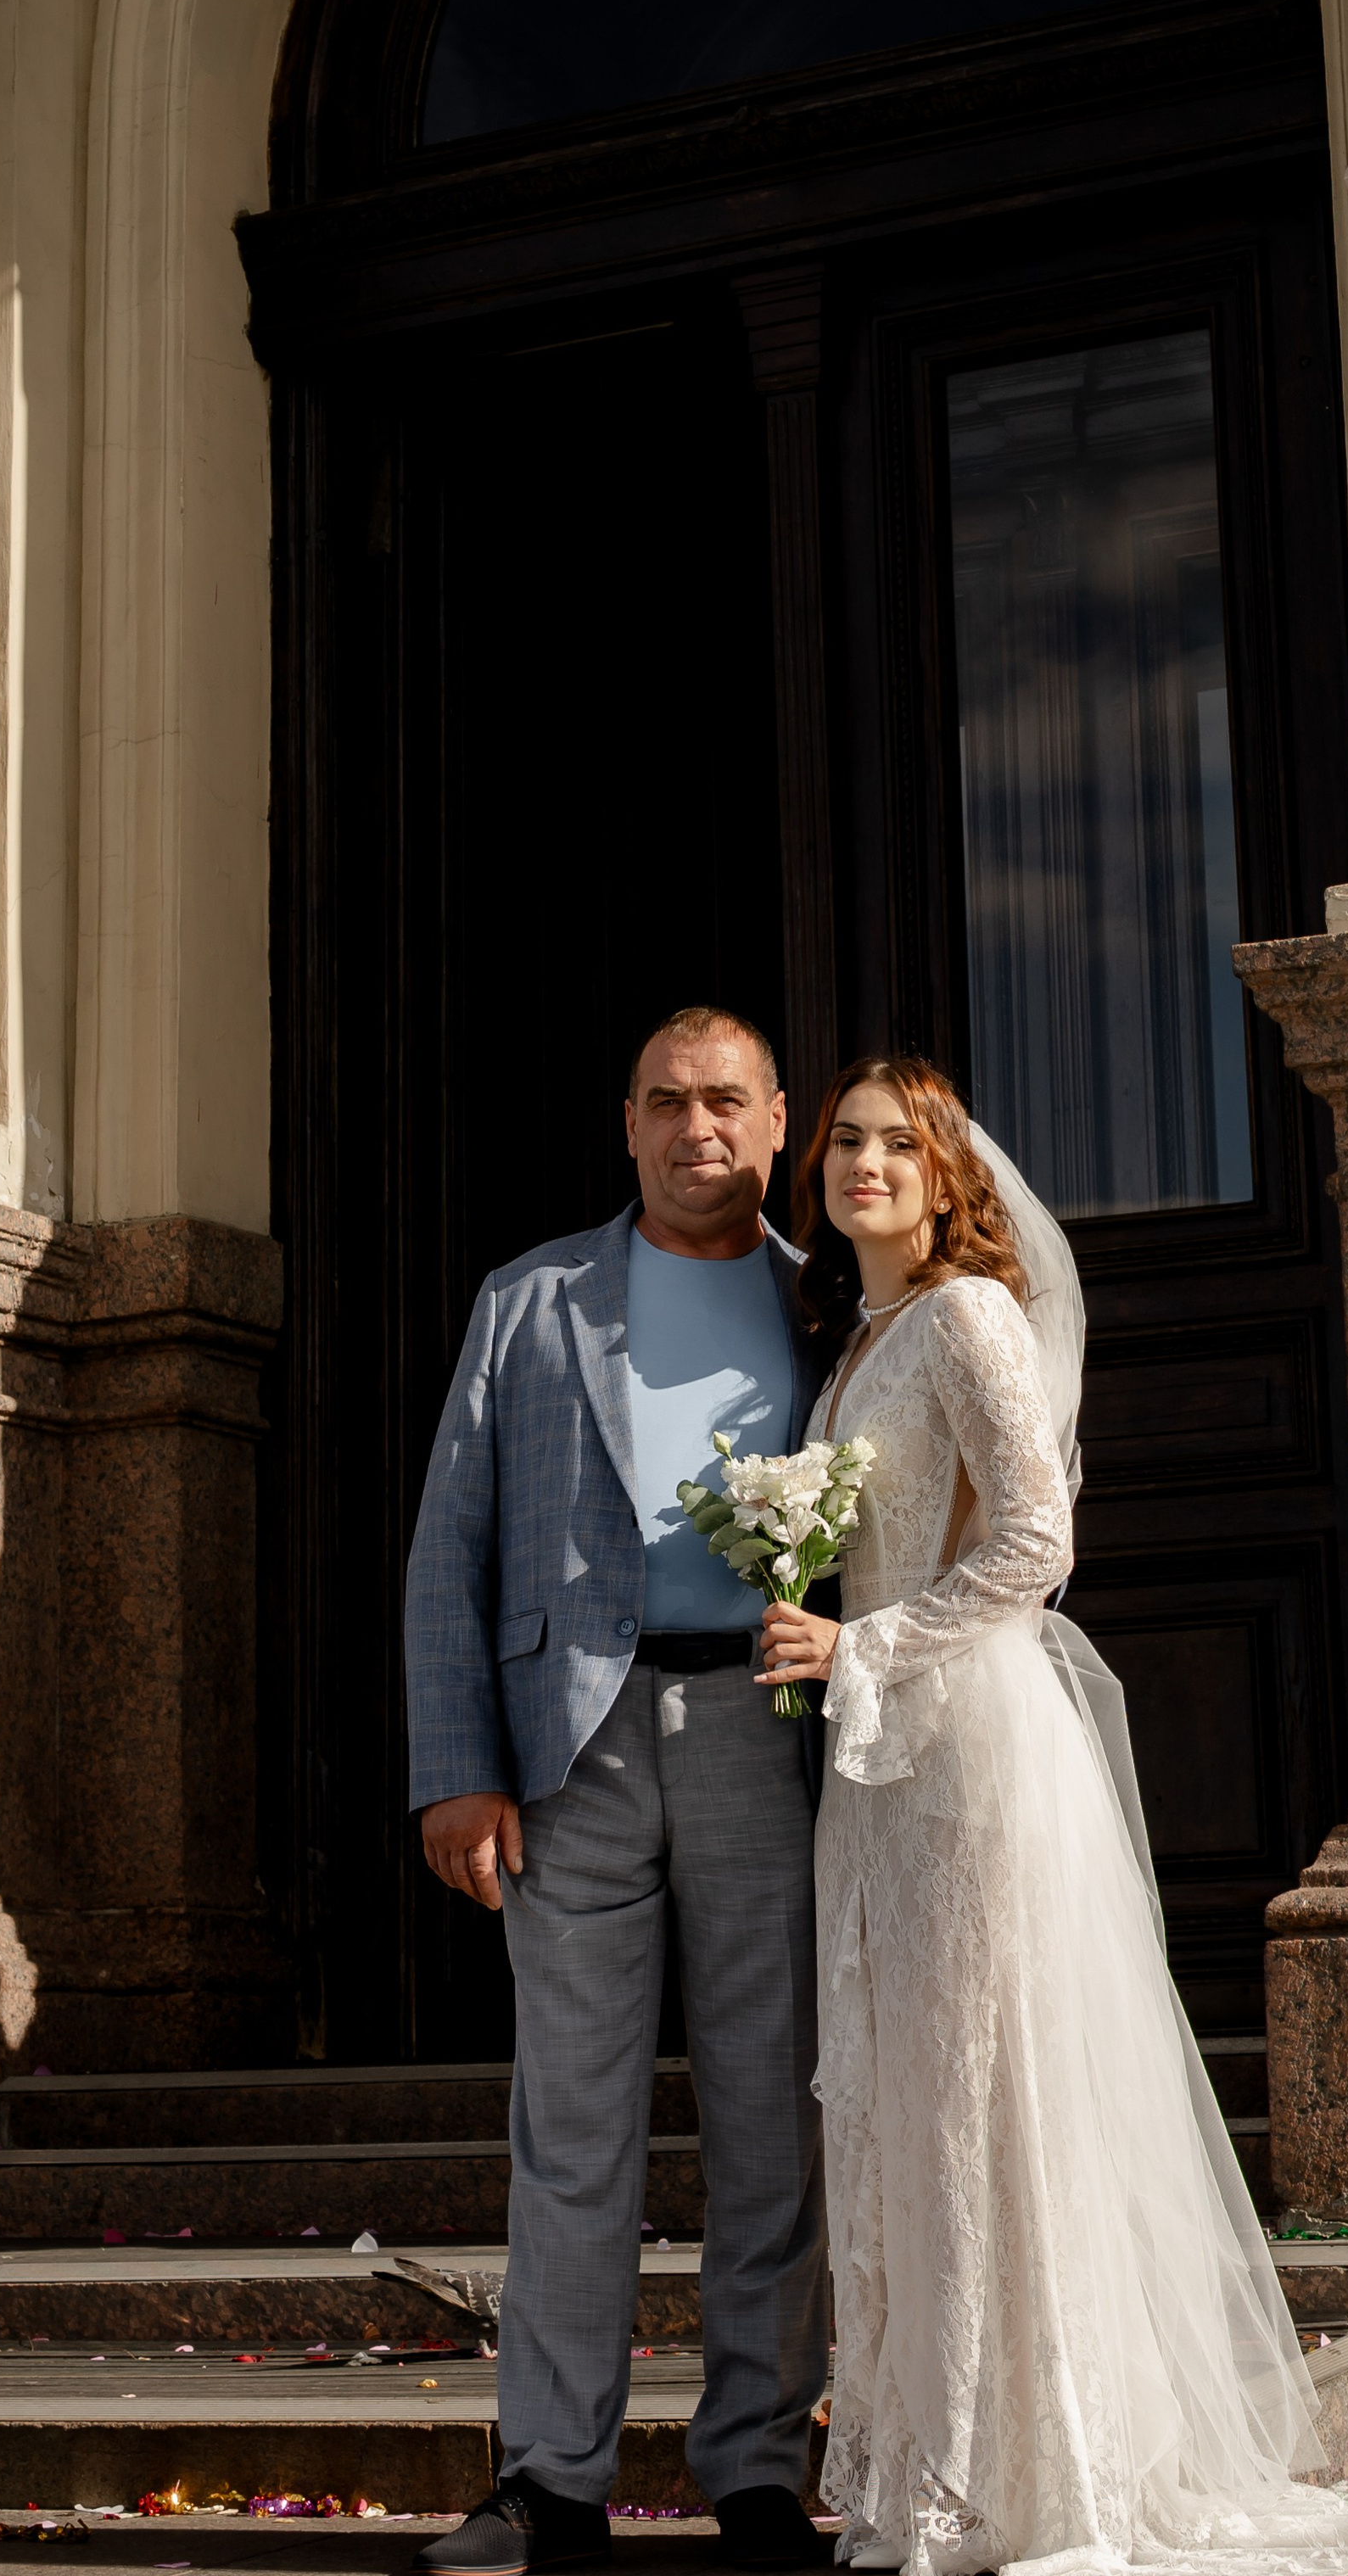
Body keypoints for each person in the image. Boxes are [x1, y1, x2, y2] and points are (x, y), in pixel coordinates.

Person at [757, 1058, 1348, 2576]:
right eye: (845, 1142)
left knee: (996, 2096)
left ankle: (1051, 2473)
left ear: (945, 1177)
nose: (864, 1164)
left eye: (896, 1145)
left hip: (973, 1748)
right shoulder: (856, 1347)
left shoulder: (970, 1317)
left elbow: (1036, 1544)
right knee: (921, 2100)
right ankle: (947, 2466)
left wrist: (864, 1644)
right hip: (882, 1773)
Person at [405, 1007, 831, 2576]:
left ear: (779, 1121)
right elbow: (449, 1547)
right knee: (569, 2129)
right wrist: (458, 1774)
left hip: (765, 1740)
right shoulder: (531, 1301)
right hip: (569, 1751)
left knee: (775, 2124)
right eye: (666, 1102)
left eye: (726, 1101)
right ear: (628, 1123)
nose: (696, 1128)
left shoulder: (830, 1305)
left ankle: (760, 2471)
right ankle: (550, 2484)